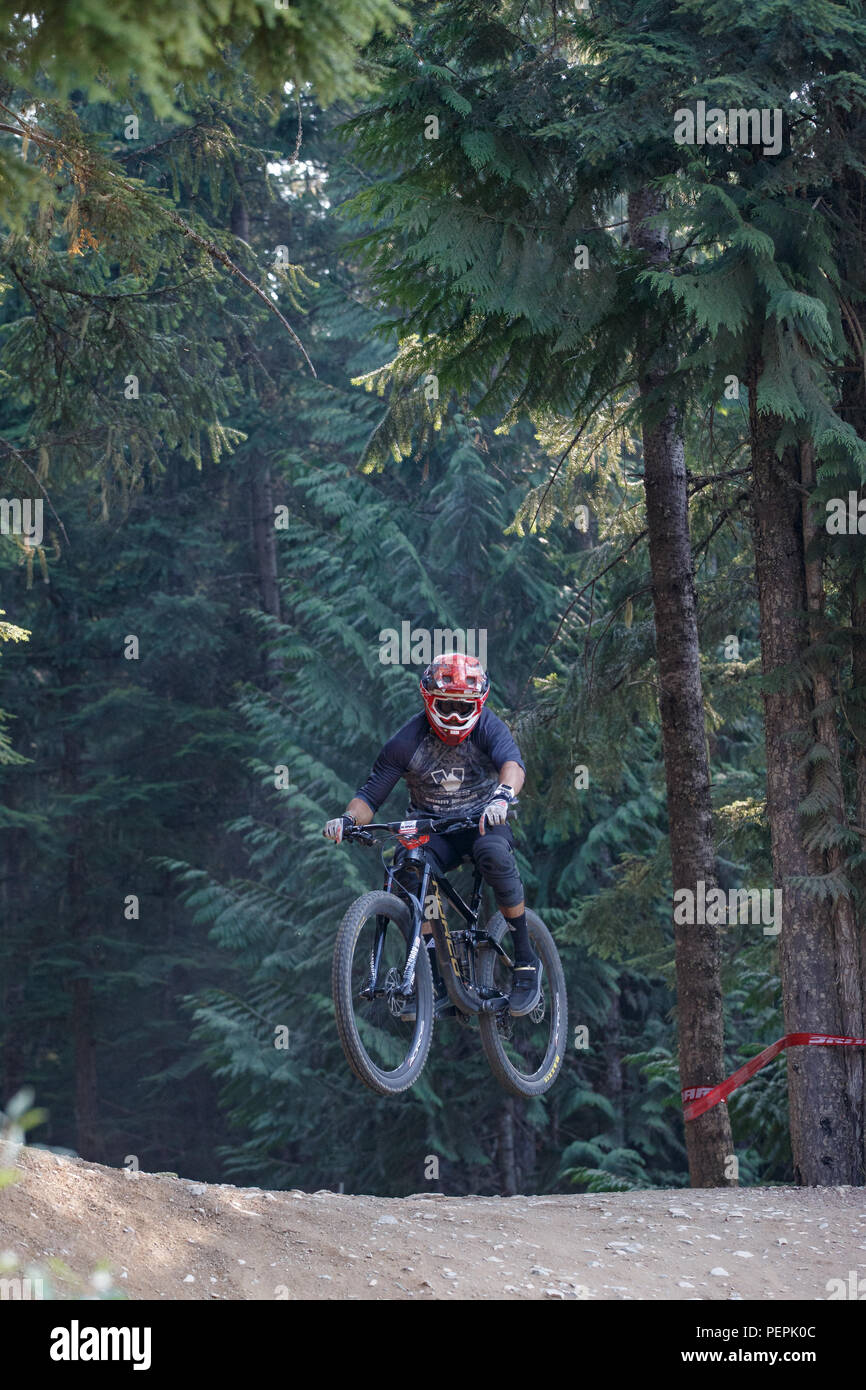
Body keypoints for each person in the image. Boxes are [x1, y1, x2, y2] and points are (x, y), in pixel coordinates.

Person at [322, 650, 541, 1016]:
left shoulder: (488, 725)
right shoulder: (405, 741)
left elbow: (512, 765)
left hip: (481, 822)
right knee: (407, 867)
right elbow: (370, 794)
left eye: (463, 706)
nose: (455, 715)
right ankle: (436, 979)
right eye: (446, 705)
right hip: (430, 827)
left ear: (479, 704)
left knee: (494, 854)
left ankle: (524, 955)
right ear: (429, 700)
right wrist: (347, 820)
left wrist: (502, 797)